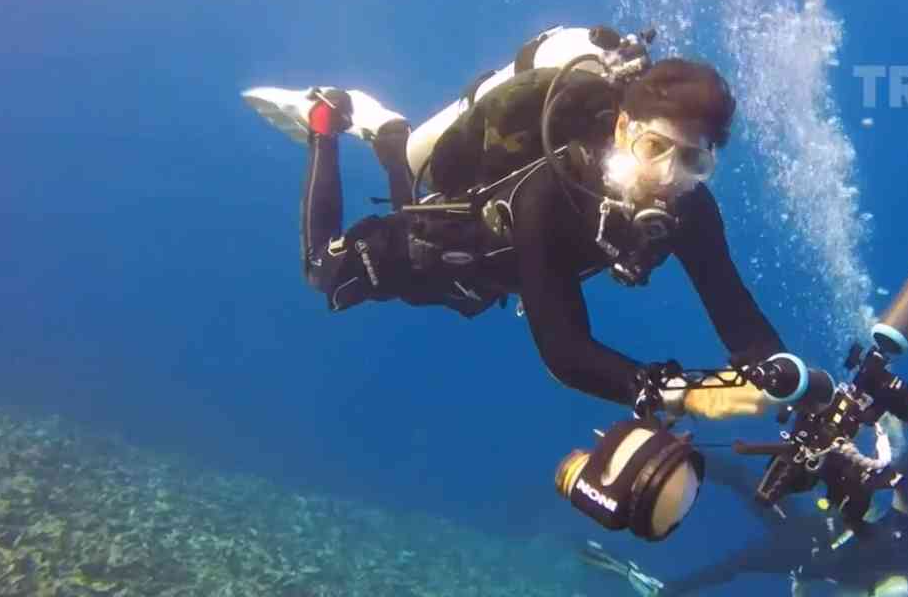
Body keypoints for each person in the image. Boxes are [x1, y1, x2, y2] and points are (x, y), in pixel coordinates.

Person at [243, 27, 787, 419]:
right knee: (325, 272)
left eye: (694, 161)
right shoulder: (550, 191)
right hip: (457, 243)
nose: (668, 176)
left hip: (500, 278)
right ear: (623, 129)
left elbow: (736, 314)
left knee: (408, 176)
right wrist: (680, 393)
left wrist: (795, 384)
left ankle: (388, 130)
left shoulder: (691, 210)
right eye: (654, 147)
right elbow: (565, 350)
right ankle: (325, 116)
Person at [581, 443, 908, 596]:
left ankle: (666, 590)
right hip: (812, 534)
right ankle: (679, 454)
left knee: (736, 562)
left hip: (805, 550)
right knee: (745, 483)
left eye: (891, 477)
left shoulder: (903, 539)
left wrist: (806, 576)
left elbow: (846, 563)